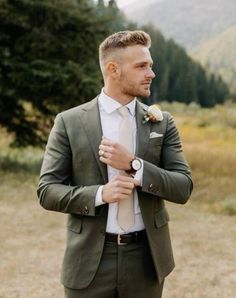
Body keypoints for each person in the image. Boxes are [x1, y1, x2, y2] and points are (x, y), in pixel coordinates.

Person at [37, 30, 193, 298]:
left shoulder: (162, 122)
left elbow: (183, 187)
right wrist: (100, 194)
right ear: (113, 69)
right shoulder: (69, 121)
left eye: (151, 66)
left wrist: (135, 165)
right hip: (89, 261)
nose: (151, 73)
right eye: (142, 66)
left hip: (146, 260)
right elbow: (47, 190)